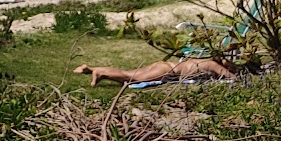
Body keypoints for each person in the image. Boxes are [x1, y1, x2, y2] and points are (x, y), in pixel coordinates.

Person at [74, 58, 235, 86]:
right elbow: (232, 78)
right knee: (132, 78)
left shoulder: (203, 61)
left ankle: (92, 69)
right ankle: (101, 74)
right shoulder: (213, 65)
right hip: (168, 71)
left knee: (129, 73)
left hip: (165, 66)